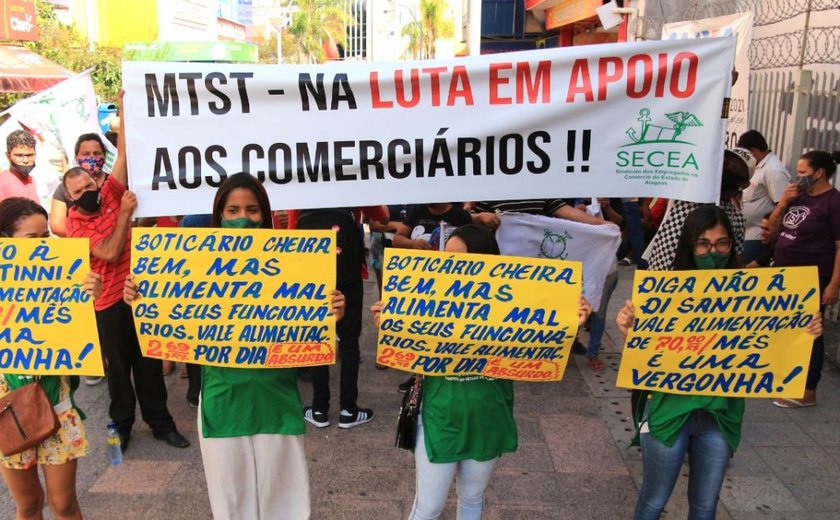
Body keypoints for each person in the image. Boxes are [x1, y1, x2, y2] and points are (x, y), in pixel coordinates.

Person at [125, 172, 346, 519]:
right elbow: (165, 311)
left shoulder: (295, 268)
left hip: (277, 401)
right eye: (232, 211)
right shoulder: (196, 270)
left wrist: (331, 312)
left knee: (285, 504)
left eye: (252, 210)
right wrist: (140, 296)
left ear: (266, 215)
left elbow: (314, 336)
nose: (243, 219)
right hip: (222, 402)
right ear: (219, 216)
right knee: (232, 508)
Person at [372, 224, 592, 519]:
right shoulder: (427, 301)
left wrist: (568, 323)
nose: (452, 267)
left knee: (473, 498)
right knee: (428, 507)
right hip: (441, 416)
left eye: (463, 260)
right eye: (448, 258)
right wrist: (391, 327)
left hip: (489, 416)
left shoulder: (512, 304)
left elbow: (539, 348)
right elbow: (405, 356)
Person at [616, 206, 824, 519]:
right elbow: (646, 354)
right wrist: (626, 327)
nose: (712, 251)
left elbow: (773, 340)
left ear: (732, 244)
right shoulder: (665, 291)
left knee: (705, 506)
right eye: (703, 244)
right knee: (653, 501)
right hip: (668, 414)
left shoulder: (750, 293)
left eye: (722, 243)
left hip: (720, 417)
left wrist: (804, 330)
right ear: (689, 245)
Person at [63, 95, 189, 452]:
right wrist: (124, 216)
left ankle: (161, 423)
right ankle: (121, 425)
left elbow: (123, 156)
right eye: (79, 191)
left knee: (149, 361)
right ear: (70, 198)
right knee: (118, 370)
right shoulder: (75, 222)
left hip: (138, 293)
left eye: (90, 185)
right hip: (107, 304)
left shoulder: (109, 194)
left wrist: (125, 105)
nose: (88, 192)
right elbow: (108, 251)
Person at [0, 197, 102, 520]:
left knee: (63, 504)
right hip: (7, 412)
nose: (43, 246)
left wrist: (87, 297)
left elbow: (80, 343)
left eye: (46, 237)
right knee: (28, 504)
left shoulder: (66, 276)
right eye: (33, 240)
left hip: (57, 408)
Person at [291, 205, 387, 429]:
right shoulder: (350, 174)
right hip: (346, 258)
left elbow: (292, 223)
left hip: (309, 252)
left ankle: (319, 409)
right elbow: (381, 216)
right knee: (350, 339)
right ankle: (348, 410)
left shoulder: (300, 181)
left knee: (318, 334)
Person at [768, 150, 840, 408]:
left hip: (813, 277)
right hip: (786, 275)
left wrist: (833, 284)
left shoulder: (833, 202)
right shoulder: (798, 198)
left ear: (819, 173)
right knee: (788, 327)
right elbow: (770, 232)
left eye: (802, 173)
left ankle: (808, 390)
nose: (798, 178)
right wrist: (783, 204)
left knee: (811, 331)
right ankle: (788, 380)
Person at [737, 131, 789, 263]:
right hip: (745, 234)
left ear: (753, 152)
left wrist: (772, 231)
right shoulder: (757, 167)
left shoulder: (773, 170)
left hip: (758, 237)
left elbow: (783, 204)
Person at [49, 133, 110, 238]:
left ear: (104, 156)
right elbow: (56, 225)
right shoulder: (63, 189)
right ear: (77, 157)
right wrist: (90, 237)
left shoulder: (113, 183)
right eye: (86, 154)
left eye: (96, 153)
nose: (91, 157)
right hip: (82, 248)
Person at [0, 130, 39, 205]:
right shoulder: (2, 183)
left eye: (30, 155)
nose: (25, 160)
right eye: (19, 155)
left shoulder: (33, 181)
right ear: (8, 156)